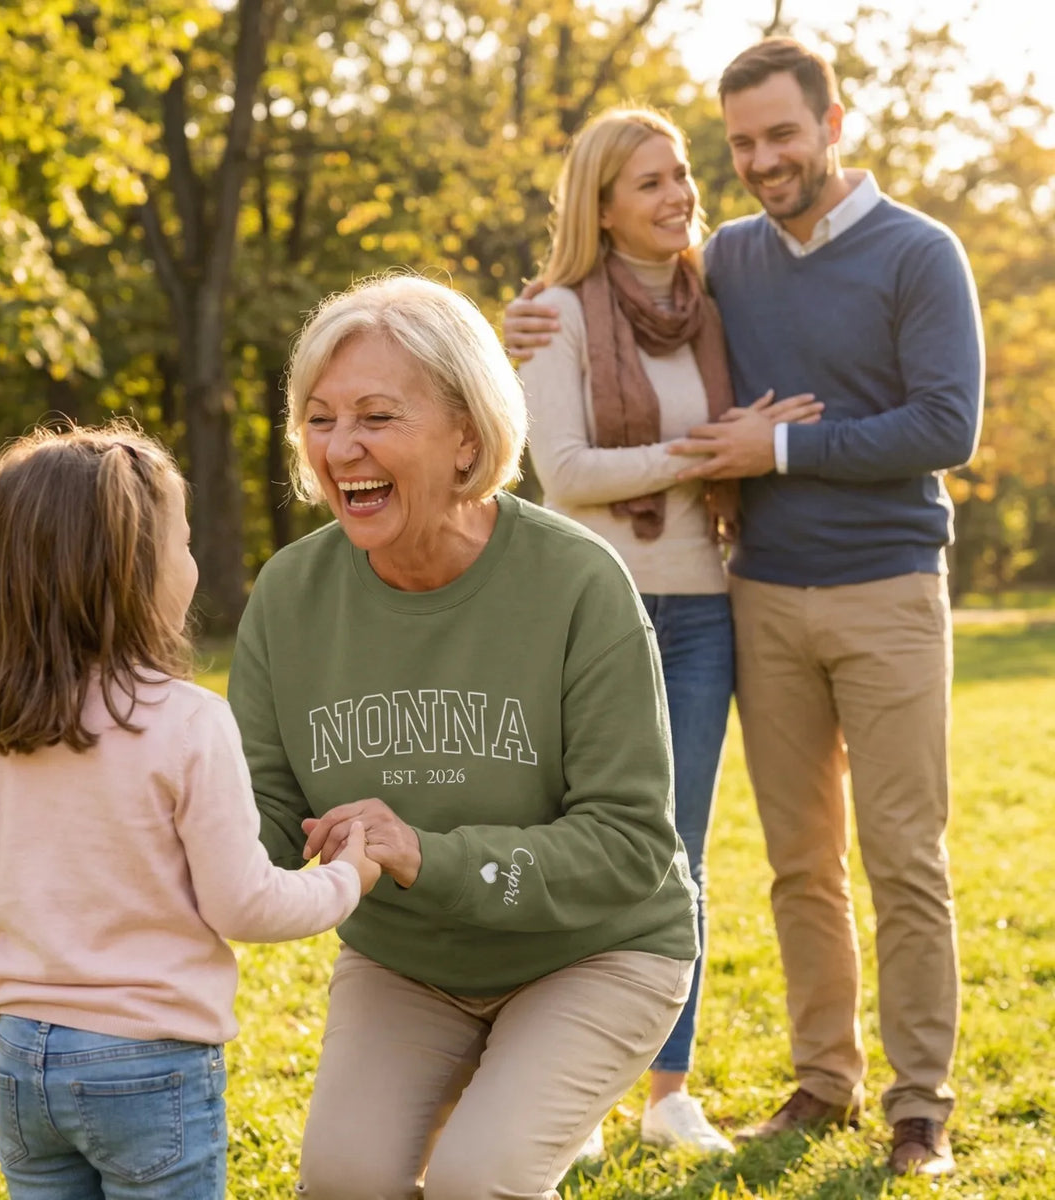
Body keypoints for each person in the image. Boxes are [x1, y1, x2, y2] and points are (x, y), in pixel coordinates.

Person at [504, 37, 983, 1178]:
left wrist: (772, 445)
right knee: (797, 860)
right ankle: (826, 1082)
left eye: (782, 134)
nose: (763, 160)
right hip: (759, 593)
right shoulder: (728, 259)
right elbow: (612, 298)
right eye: (744, 144)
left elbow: (945, 428)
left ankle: (921, 1108)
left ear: (834, 121)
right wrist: (520, 318)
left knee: (903, 855)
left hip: (887, 589)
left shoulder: (922, 253)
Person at [226, 272, 699, 1200]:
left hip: (597, 953)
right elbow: (265, 811)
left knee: (476, 1183)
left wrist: (425, 856)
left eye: (375, 416)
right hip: (410, 960)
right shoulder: (290, 594)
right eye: (319, 419)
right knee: (343, 1184)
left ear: (469, 436)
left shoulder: (577, 582)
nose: (340, 447)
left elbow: (631, 845)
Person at [0, 422, 380, 1200]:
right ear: (134, 571)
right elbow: (243, 903)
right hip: (150, 1062)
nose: (193, 564)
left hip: (24, 1058)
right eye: (185, 544)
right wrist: (348, 877)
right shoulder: (185, 721)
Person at [514, 105, 821, 1156]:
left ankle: (668, 1092)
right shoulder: (553, 313)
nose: (678, 192)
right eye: (648, 182)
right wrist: (702, 454)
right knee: (585, 849)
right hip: (592, 611)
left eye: (682, 173)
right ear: (600, 206)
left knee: (677, 853)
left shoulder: (711, 306)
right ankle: (579, 1093)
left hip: (702, 609)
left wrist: (733, 453)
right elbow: (565, 473)